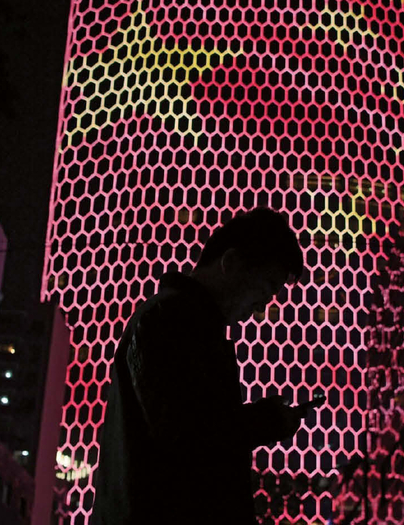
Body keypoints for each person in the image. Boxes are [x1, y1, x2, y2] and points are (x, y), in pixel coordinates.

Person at [90, 207, 316, 525]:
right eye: (263, 290)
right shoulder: (168, 320)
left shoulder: (192, 328)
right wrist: (266, 420)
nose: (261, 307)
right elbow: (185, 438)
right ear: (232, 263)